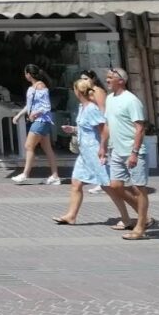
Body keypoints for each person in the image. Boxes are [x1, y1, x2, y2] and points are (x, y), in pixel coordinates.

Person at [101, 67, 153, 240]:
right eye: (107, 77)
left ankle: (140, 228)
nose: (107, 80)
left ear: (121, 81)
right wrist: (102, 146)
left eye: (110, 77)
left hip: (132, 150)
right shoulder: (109, 99)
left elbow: (139, 128)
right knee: (115, 186)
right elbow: (108, 124)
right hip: (116, 150)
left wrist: (135, 153)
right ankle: (144, 216)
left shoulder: (131, 100)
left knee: (139, 189)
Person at [53, 77, 109, 225]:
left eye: (74, 89)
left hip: (94, 151)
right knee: (76, 182)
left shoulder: (91, 108)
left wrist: (103, 148)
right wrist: (73, 129)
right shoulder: (81, 107)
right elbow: (87, 128)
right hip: (84, 152)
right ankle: (71, 215)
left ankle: (137, 215)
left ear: (78, 91)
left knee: (109, 186)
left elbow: (103, 129)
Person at [11, 64, 60, 185]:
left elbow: (46, 106)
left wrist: (35, 113)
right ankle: (55, 175)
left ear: (28, 74)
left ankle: (25, 174)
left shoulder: (40, 86)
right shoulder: (34, 87)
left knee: (29, 146)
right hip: (42, 121)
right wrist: (19, 115)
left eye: (25, 73)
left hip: (41, 121)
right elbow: (29, 105)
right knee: (47, 148)